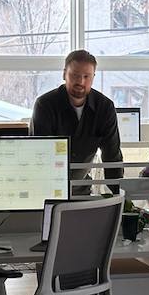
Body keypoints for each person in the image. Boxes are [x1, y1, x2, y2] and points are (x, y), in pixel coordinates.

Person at [30, 50, 123, 193]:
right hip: (48, 188)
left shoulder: (104, 108)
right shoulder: (45, 105)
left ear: (93, 77)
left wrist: (119, 198)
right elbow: (40, 156)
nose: (80, 82)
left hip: (82, 188)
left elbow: (112, 157)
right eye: (75, 75)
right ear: (64, 74)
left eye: (86, 76)